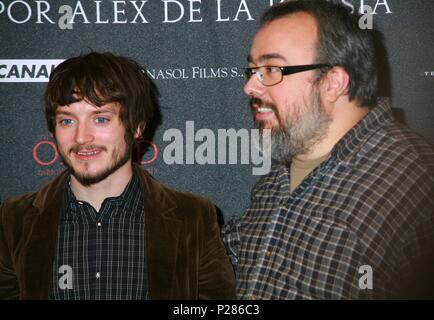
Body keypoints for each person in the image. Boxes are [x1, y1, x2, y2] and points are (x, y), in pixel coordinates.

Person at [222, 0, 434, 299]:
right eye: (252, 70)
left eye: (271, 69)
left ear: (333, 82)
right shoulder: (273, 185)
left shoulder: (418, 182)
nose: (249, 88)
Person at [0, 52, 235, 300]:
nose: (81, 137)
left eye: (100, 119)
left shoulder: (193, 217)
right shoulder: (13, 220)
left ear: (136, 126)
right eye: (67, 121)